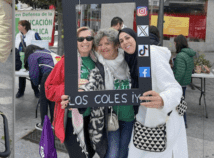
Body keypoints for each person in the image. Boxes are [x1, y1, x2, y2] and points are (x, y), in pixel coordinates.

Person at [118, 28, 187, 158]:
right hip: (143, 119)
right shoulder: (130, 58)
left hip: (162, 119)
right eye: (121, 41)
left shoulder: (152, 54)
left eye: (127, 38)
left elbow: (174, 88)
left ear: (136, 38)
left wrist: (162, 99)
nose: (124, 42)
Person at [45, 27, 108, 158]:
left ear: (93, 40)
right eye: (80, 39)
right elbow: (49, 89)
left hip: (92, 120)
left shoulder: (99, 62)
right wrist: (69, 88)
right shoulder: (66, 61)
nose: (85, 41)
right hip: (70, 120)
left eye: (89, 38)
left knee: (89, 154)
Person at [94, 28, 134, 158]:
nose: (103, 47)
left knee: (123, 151)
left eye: (107, 43)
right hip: (109, 115)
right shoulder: (98, 64)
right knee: (112, 153)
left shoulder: (128, 59)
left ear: (116, 45)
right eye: (100, 44)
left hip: (129, 115)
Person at [27, 48, 56, 131]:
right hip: (58, 72)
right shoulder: (47, 50)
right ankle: (54, 123)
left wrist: (37, 84)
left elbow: (33, 74)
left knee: (44, 100)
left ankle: (44, 124)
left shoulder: (32, 56)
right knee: (53, 99)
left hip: (48, 74)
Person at [173, 34, 195, 128]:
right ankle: (183, 122)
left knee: (179, 104)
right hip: (185, 82)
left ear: (178, 43)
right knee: (182, 102)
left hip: (179, 83)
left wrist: (174, 84)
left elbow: (180, 72)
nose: (174, 44)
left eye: (174, 43)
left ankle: (182, 123)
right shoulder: (189, 54)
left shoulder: (181, 55)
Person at [15, 20, 41, 98]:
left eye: (19, 25)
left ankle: (36, 91)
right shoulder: (18, 35)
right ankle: (21, 91)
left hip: (31, 58)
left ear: (24, 26)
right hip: (21, 58)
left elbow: (41, 44)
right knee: (21, 74)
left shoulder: (33, 34)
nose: (18, 27)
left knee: (32, 74)